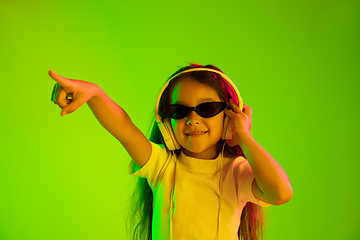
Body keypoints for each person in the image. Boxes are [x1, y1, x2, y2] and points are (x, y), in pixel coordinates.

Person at [49, 64, 293, 240]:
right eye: (179, 110)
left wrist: (244, 137)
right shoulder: (162, 166)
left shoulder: (236, 173)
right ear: (165, 123)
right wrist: (94, 93)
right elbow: (124, 128)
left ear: (230, 116)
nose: (192, 119)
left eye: (207, 108)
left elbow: (280, 192)